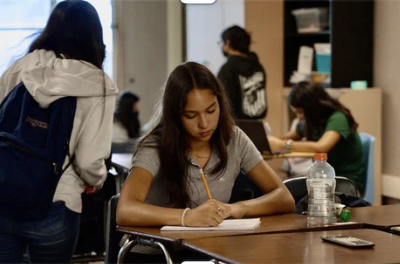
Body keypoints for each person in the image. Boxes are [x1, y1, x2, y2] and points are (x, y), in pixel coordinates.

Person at [116, 62, 294, 261]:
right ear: (175, 115)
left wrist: (238, 209)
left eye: (211, 110)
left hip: (207, 250)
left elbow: (284, 197)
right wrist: (187, 217)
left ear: (220, 103)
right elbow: (125, 210)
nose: (204, 124)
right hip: (156, 254)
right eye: (191, 115)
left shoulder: (234, 139)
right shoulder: (156, 146)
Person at [0, 1, 118, 263]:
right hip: (57, 201)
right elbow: (89, 160)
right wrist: (96, 180)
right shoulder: (96, 83)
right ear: (94, 37)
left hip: (4, 193)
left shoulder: (21, 66)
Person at [267, 81, 364, 193]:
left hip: (344, 184)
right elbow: (286, 138)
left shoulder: (338, 118)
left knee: (289, 193)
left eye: (300, 112)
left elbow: (321, 148)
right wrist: (269, 141)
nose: (299, 117)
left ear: (313, 107)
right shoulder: (312, 122)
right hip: (321, 181)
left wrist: (284, 145)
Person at [217, 25, 267, 120]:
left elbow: (224, 103)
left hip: (236, 125)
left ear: (227, 43)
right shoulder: (258, 66)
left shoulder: (228, 69)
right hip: (259, 124)